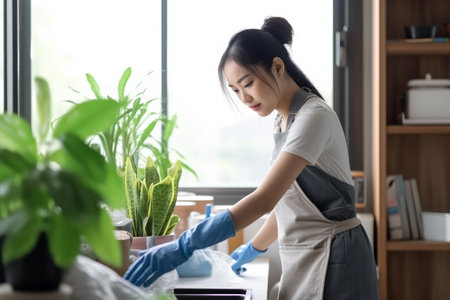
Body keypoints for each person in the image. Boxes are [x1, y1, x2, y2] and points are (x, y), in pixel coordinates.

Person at [124, 16, 379, 300]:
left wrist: (184, 245)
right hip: (311, 255)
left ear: (277, 67)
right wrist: (254, 248)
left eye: (248, 83)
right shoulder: (284, 122)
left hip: (337, 257)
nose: (244, 98)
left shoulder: (313, 117)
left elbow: (265, 199)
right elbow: (288, 204)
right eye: (236, 91)